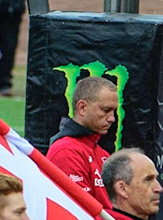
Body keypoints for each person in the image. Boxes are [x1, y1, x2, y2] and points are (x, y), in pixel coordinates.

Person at [45, 74, 120, 212]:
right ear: (82, 108)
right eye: (105, 110)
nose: (112, 118)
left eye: (113, 111)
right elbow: (79, 213)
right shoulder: (65, 152)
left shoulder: (100, 152)